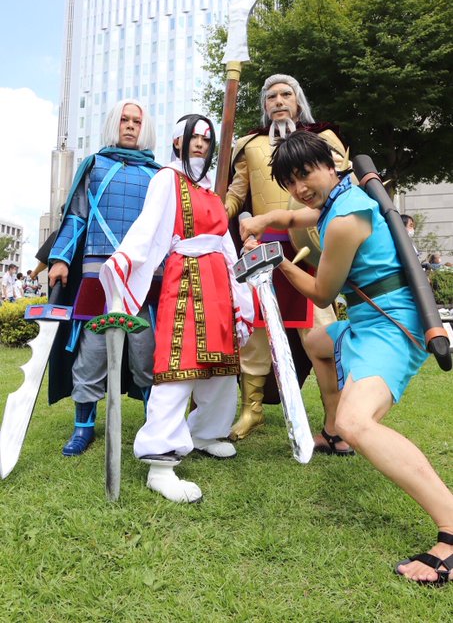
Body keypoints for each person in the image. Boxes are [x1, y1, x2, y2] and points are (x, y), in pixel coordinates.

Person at [240, 129, 453, 585]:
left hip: (393, 326)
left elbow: (322, 292)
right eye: (290, 180)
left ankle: (452, 528)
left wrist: (275, 260)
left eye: (306, 173)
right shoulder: (338, 198)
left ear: (331, 165)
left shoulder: (345, 218)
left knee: (361, 423)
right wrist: (262, 220)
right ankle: (333, 432)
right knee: (317, 343)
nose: (300, 187)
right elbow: (293, 214)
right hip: (365, 321)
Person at [100, 114, 254, 503]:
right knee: (179, 364)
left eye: (207, 138)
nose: (200, 143)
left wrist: (240, 287)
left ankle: (206, 431)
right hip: (185, 277)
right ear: (177, 142)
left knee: (223, 364)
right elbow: (147, 227)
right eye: (193, 137)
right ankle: (160, 461)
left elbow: (223, 241)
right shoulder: (166, 179)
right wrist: (124, 263)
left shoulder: (212, 191)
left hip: (218, 280)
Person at [225, 73, 353, 454]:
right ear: (264, 105)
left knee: (322, 338)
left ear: (298, 101)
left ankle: (335, 422)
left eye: (286, 94)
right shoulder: (250, 145)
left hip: (312, 249)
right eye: (271, 96)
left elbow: (343, 188)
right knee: (255, 337)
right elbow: (236, 195)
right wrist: (212, 211)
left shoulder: (324, 139)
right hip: (261, 251)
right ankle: (251, 410)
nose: (279, 101)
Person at [48, 99, 161, 456]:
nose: (130, 126)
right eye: (124, 120)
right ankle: (83, 427)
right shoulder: (94, 166)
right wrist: (60, 258)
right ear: (115, 123)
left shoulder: (159, 175)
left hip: (142, 277)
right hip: (97, 273)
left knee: (146, 353)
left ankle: (155, 425)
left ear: (145, 127)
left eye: (137, 121)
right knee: (91, 354)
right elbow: (76, 216)